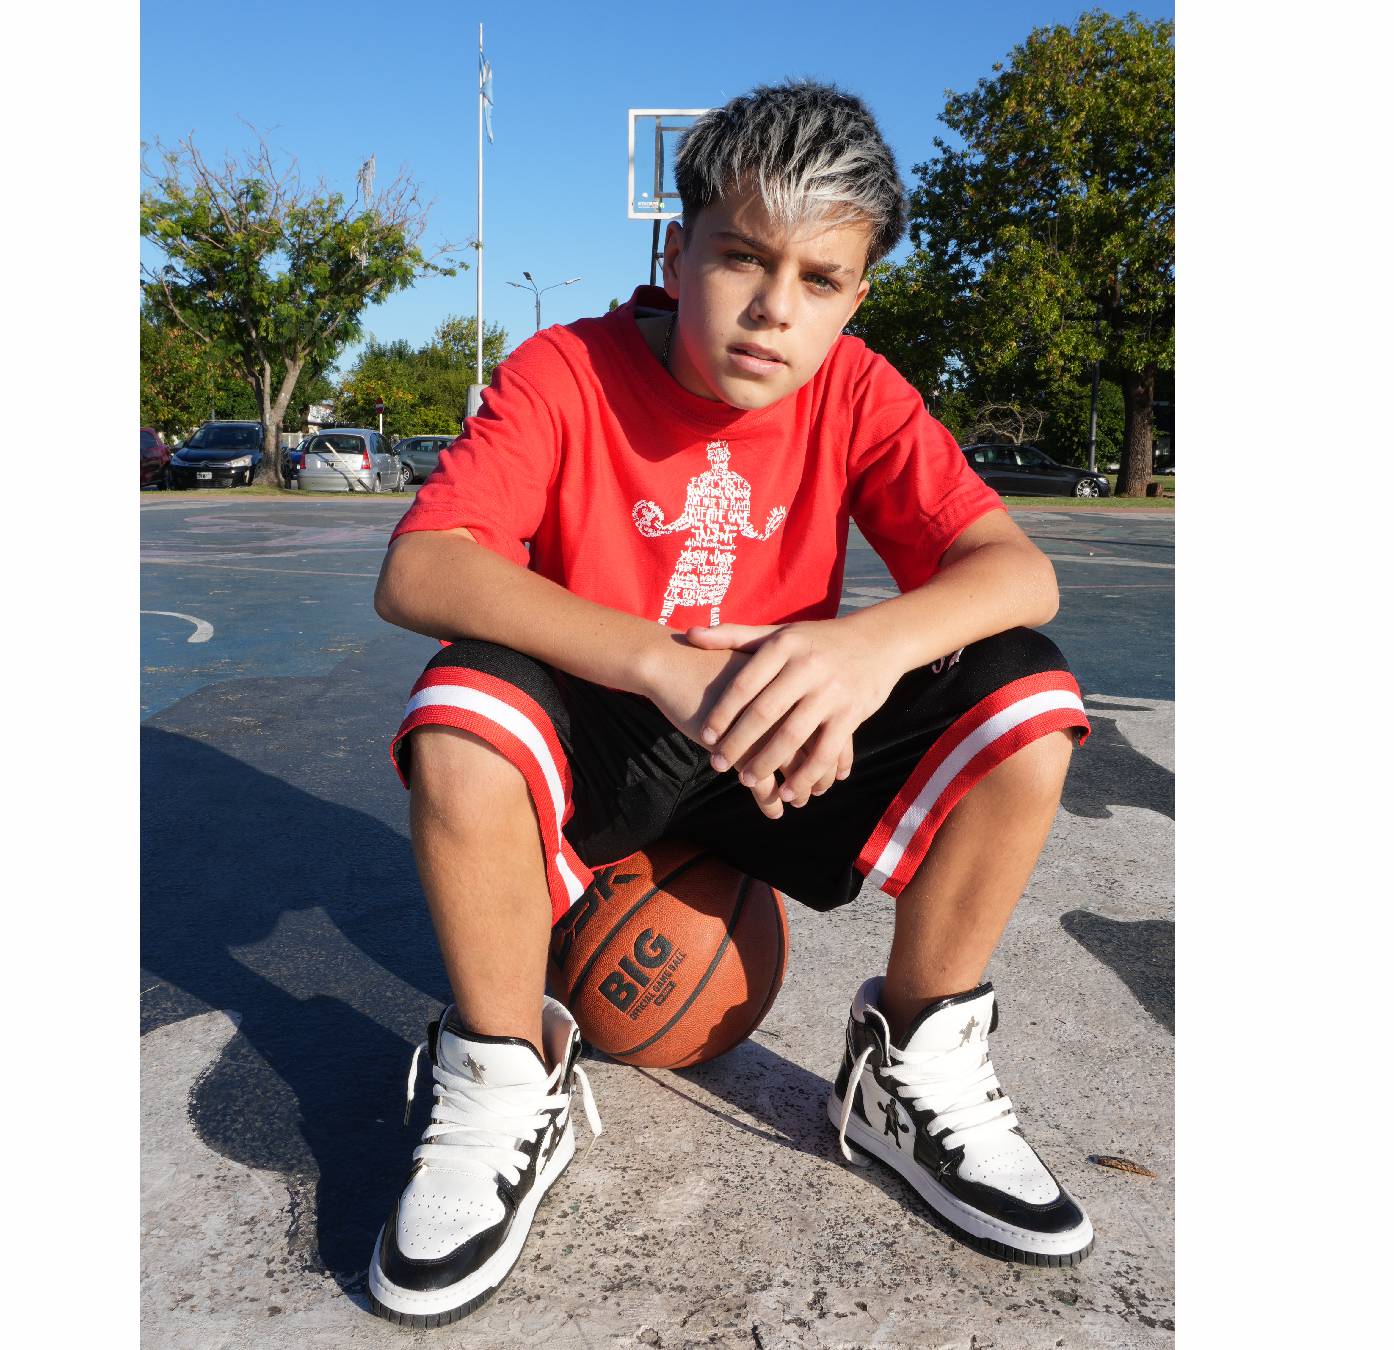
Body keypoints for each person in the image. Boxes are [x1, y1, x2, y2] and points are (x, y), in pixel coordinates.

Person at [367, 80, 1095, 1327]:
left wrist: (865, 650)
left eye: (819, 279)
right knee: (464, 708)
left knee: (1023, 696)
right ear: (676, 251)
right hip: (609, 740)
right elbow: (421, 568)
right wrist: (659, 660)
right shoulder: (567, 369)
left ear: (854, 297)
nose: (774, 308)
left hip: (779, 753)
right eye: (741, 258)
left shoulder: (855, 387)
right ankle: (502, 1073)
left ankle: (910, 1062)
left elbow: (1014, 570)